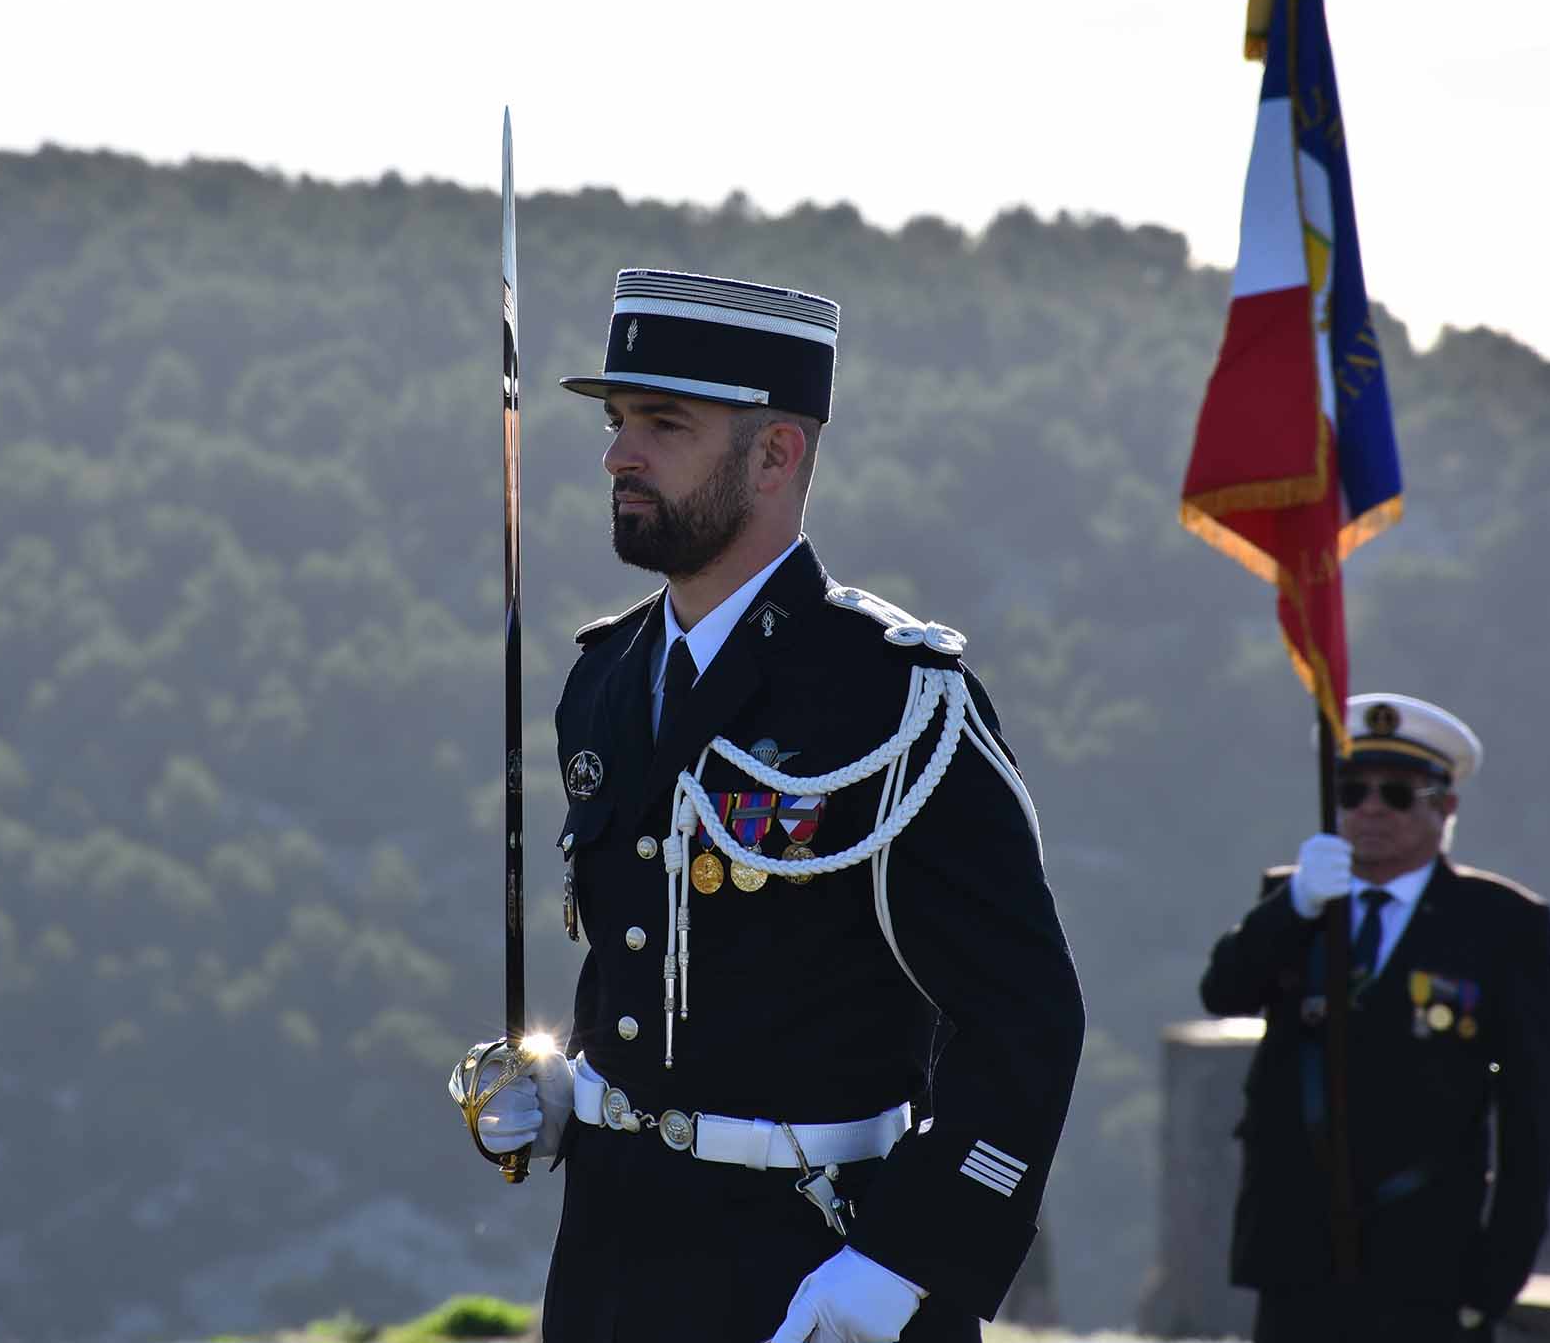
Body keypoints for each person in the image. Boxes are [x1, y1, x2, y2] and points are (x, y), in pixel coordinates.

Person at [449, 269, 1084, 1343]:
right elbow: (640, 952)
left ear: (777, 452)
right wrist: (577, 1086)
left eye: (664, 423)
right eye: (615, 421)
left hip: (819, 1269)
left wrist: (904, 1265)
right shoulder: (604, 680)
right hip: (612, 1265)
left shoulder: (895, 696)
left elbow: (1023, 1021)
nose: (617, 454)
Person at [1198, 694, 1550, 1343]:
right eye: (1351, 790)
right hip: (1298, 1260)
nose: (1369, 809)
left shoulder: (1501, 923)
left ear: (1445, 806)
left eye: (1397, 793)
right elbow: (1224, 992)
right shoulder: (1297, 900)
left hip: (1428, 1262)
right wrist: (1296, 904)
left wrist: (1498, 1274)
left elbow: (1529, 1113)